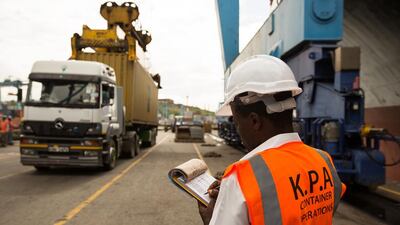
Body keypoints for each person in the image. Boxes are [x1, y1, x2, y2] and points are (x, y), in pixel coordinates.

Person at [198, 55, 346, 225]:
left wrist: (210, 219)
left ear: (255, 121)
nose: (238, 131)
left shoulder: (241, 177)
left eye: (237, 124)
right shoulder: (324, 161)